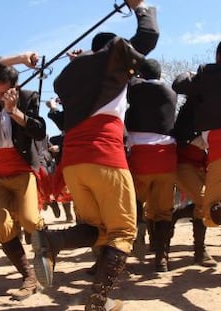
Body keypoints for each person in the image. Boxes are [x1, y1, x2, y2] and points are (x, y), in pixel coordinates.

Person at [30, 1, 159, 310]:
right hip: (105, 155)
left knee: (96, 228)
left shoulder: (65, 78)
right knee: (123, 230)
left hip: (74, 163)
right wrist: (140, 6)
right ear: (112, 52)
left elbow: (84, 84)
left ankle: (51, 242)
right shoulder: (110, 61)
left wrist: (80, 61)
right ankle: (98, 301)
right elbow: (148, 36)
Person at [0, 52, 46, 300]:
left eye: (4, 93)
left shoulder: (28, 97)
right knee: (2, 228)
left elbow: (39, 132)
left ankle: (48, 246)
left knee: (30, 220)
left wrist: (14, 112)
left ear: (15, 88)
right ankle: (29, 276)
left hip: (22, 170)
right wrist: (20, 58)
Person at [172, 36, 221, 285]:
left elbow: (178, 84)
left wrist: (198, 74)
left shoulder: (207, 75)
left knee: (212, 214)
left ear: (219, 56)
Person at [125, 58, 177, 272]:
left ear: (141, 75)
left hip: (141, 156)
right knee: (164, 211)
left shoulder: (135, 89)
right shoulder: (171, 93)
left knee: (134, 201)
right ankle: (161, 259)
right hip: (167, 157)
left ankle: (139, 227)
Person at [171, 95, 217, 267]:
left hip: (201, 166)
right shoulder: (188, 113)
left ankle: (179, 214)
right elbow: (183, 139)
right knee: (205, 201)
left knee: (217, 200)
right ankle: (200, 251)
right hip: (183, 164)